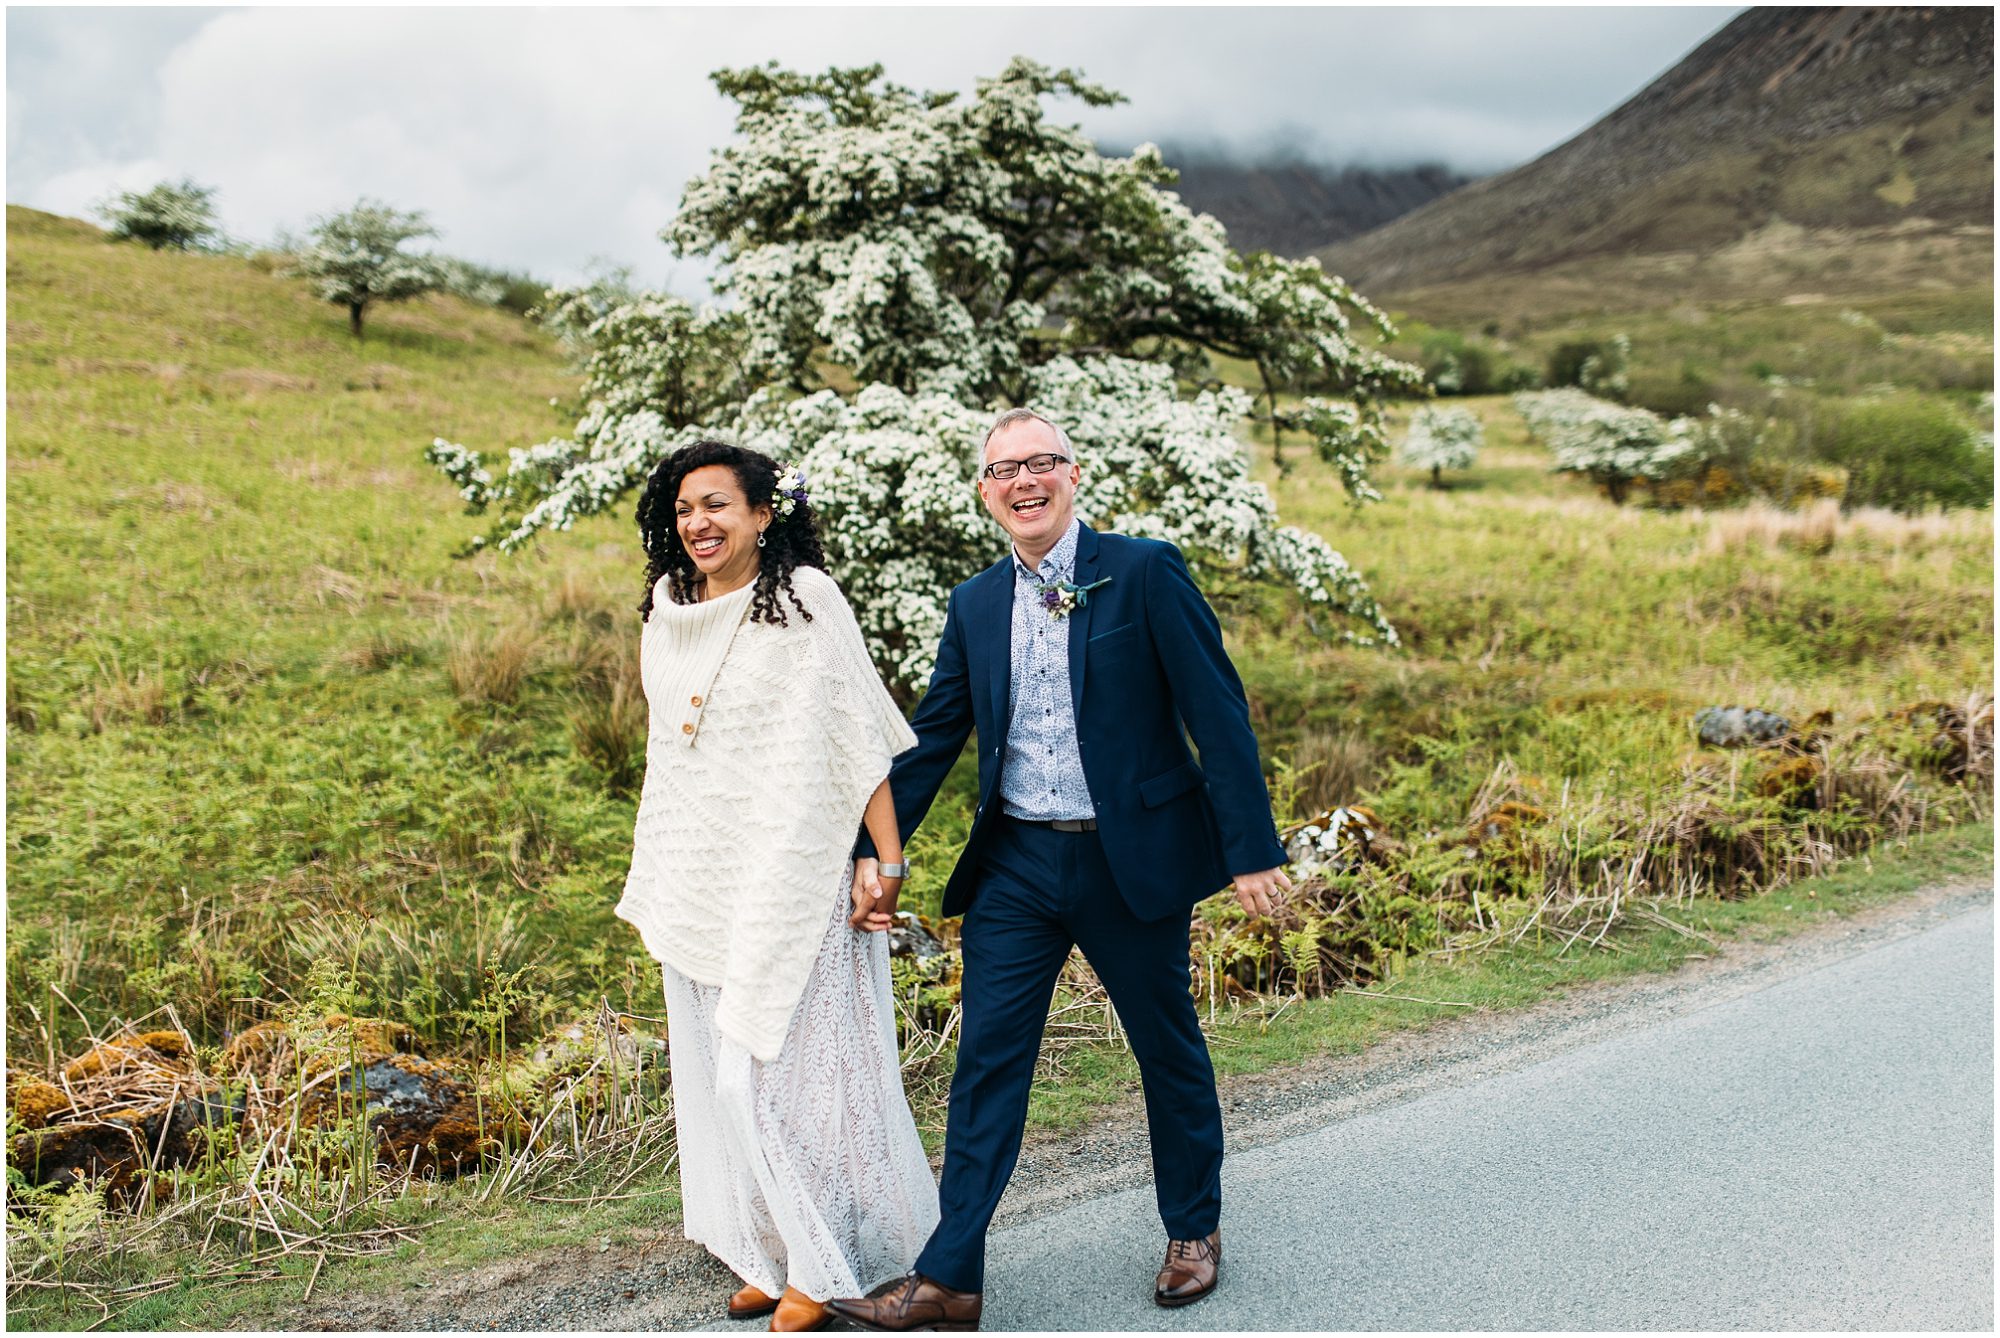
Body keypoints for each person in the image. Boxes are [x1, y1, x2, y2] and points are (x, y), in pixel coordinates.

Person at [828, 409, 1294, 1332]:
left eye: (1041, 463)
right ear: (985, 492)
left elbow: (1219, 712)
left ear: (1073, 475)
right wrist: (870, 851)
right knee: (988, 1060)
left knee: (1166, 1047)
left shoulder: (1146, 570)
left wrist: (1249, 850)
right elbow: (930, 741)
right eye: (1005, 470)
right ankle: (951, 1277)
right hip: (1016, 865)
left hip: (1131, 864)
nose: (1024, 481)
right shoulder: (973, 604)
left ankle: (1192, 1229)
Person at [614, 440, 939, 1333]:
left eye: (717, 505)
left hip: (793, 880)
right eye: (684, 510)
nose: (698, 524)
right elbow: (675, 758)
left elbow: (858, 737)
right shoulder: (668, 609)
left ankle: (820, 1262)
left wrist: (888, 858)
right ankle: (764, 1251)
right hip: (703, 877)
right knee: (714, 1082)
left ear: (764, 514)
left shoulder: (805, 601)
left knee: (776, 1083)